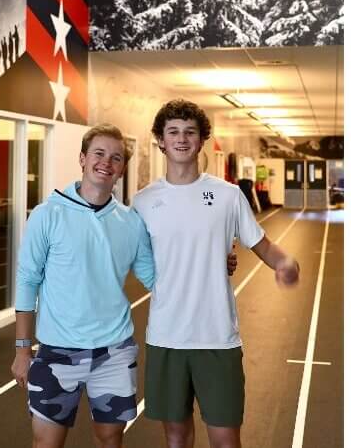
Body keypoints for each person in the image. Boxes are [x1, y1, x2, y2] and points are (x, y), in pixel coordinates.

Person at [12, 123, 236, 448]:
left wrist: (213, 262)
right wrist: (22, 350)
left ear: (122, 169)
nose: (106, 162)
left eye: (116, 158)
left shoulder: (130, 221)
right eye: (99, 154)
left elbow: (157, 275)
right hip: (56, 352)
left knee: (111, 438)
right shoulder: (48, 214)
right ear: (83, 158)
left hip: (114, 352)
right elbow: (26, 281)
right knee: (46, 443)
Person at [132, 99, 301, 448]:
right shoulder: (143, 201)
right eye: (173, 132)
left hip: (217, 337)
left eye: (190, 132)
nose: (181, 139)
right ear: (161, 140)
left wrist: (285, 263)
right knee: (176, 437)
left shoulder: (227, 196)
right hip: (167, 337)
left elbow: (263, 245)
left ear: (202, 139)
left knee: (225, 439)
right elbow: (137, 260)